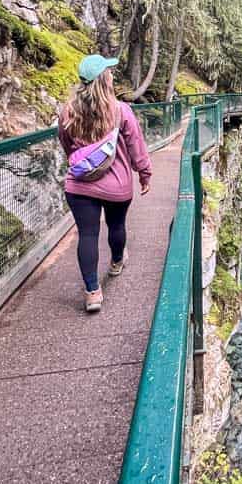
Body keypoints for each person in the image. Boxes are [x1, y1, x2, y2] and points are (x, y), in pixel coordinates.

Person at [57, 54, 152, 313]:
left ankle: (92, 292)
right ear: (105, 79)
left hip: (79, 185)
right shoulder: (121, 110)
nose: (112, 74)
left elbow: (66, 144)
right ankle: (117, 262)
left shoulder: (68, 110)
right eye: (109, 71)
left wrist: (82, 165)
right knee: (116, 225)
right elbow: (136, 147)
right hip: (117, 185)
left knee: (87, 235)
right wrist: (144, 174)